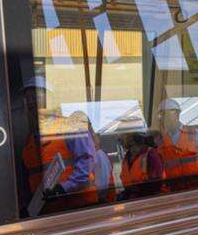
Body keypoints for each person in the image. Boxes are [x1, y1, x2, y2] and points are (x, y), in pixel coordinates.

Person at [19, 78, 99, 214]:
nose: (31, 102)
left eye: (36, 96)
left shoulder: (72, 126)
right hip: (48, 214)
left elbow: (87, 162)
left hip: (81, 210)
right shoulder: (29, 144)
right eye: (28, 99)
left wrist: (63, 188)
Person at [156, 98, 198, 192]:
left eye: (166, 115)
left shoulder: (195, 133)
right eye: (161, 116)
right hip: (178, 193)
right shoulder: (161, 142)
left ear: (177, 114)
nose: (163, 119)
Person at [117, 130, 165, 200]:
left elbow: (157, 182)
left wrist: (139, 190)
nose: (119, 140)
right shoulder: (127, 156)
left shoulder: (151, 155)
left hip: (148, 199)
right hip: (132, 198)